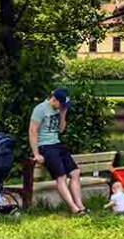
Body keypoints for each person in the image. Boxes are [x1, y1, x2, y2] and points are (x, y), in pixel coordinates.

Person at [29, 86, 85, 215]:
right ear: (54, 99)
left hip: (57, 144)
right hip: (45, 146)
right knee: (61, 176)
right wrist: (36, 153)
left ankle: (80, 205)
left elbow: (61, 130)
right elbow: (32, 132)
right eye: (62, 104)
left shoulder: (59, 109)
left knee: (75, 172)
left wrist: (63, 114)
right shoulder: (40, 109)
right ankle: (73, 208)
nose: (63, 106)